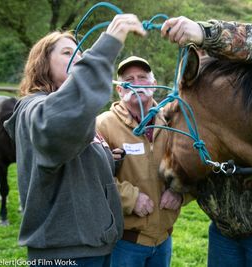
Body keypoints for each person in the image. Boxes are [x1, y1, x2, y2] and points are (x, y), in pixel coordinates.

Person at [160, 17, 252, 267]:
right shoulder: (186, 90)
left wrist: (205, 32)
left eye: (198, 45)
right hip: (224, 232)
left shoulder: (243, 71)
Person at [3, 14, 147, 267]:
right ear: (42, 64)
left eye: (79, 53)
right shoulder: (33, 107)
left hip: (93, 245)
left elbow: (67, 159)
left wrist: (103, 158)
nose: (78, 58)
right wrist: (107, 46)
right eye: (67, 52)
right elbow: (57, 123)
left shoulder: (72, 113)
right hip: (66, 253)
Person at [96, 55, 189, 267]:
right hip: (125, 243)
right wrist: (130, 198)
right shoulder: (102, 125)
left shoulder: (173, 123)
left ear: (154, 85)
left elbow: (192, 165)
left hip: (164, 240)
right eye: (129, 79)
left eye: (142, 77)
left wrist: (179, 191)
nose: (136, 83)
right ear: (119, 90)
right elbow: (90, 178)